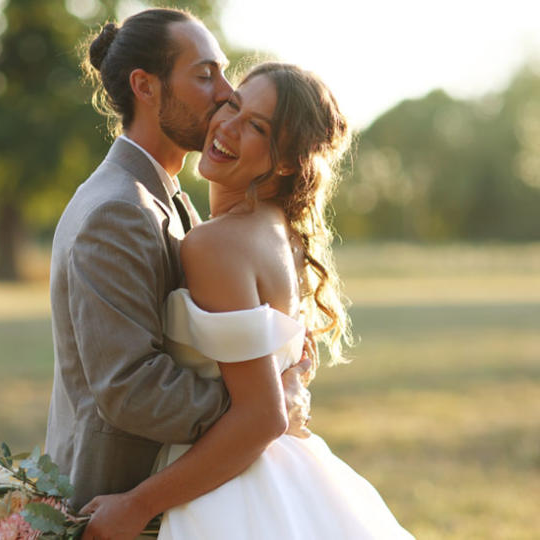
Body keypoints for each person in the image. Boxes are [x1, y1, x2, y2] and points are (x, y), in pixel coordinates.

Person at [79, 63, 414, 539]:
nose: (227, 127)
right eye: (234, 105)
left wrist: (137, 504)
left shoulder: (217, 244)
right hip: (288, 474)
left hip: (232, 492)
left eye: (256, 127)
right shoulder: (279, 229)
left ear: (285, 161)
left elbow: (261, 416)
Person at [45, 8, 313, 515]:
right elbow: (131, 389)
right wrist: (263, 406)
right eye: (205, 74)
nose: (224, 93)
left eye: (224, 73)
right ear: (145, 87)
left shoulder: (175, 201)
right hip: (112, 497)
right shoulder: (117, 210)